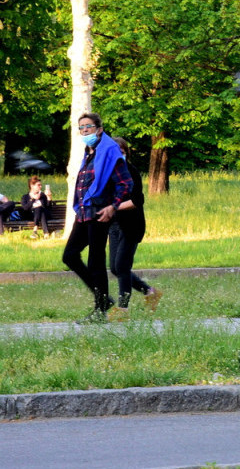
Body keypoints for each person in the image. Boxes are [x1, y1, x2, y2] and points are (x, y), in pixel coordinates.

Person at [62, 113, 133, 324]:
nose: (84, 131)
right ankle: (103, 301)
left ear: (99, 129)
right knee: (70, 256)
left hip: (100, 214)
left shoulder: (109, 152)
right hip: (83, 213)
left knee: (96, 261)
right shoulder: (89, 153)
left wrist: (113, 206)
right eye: (81, 127)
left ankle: (101, 308)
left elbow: (126, 184)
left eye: (88, 127)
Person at [105, 137, 162, 321]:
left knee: (122, 265)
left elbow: (137, 201)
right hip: (114, 225)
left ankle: (122, 310)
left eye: (121, 150)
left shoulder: (131, 171)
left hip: (132, 224)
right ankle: (150, 292)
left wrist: (114, 206)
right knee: (114, 267)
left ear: (126, 152)